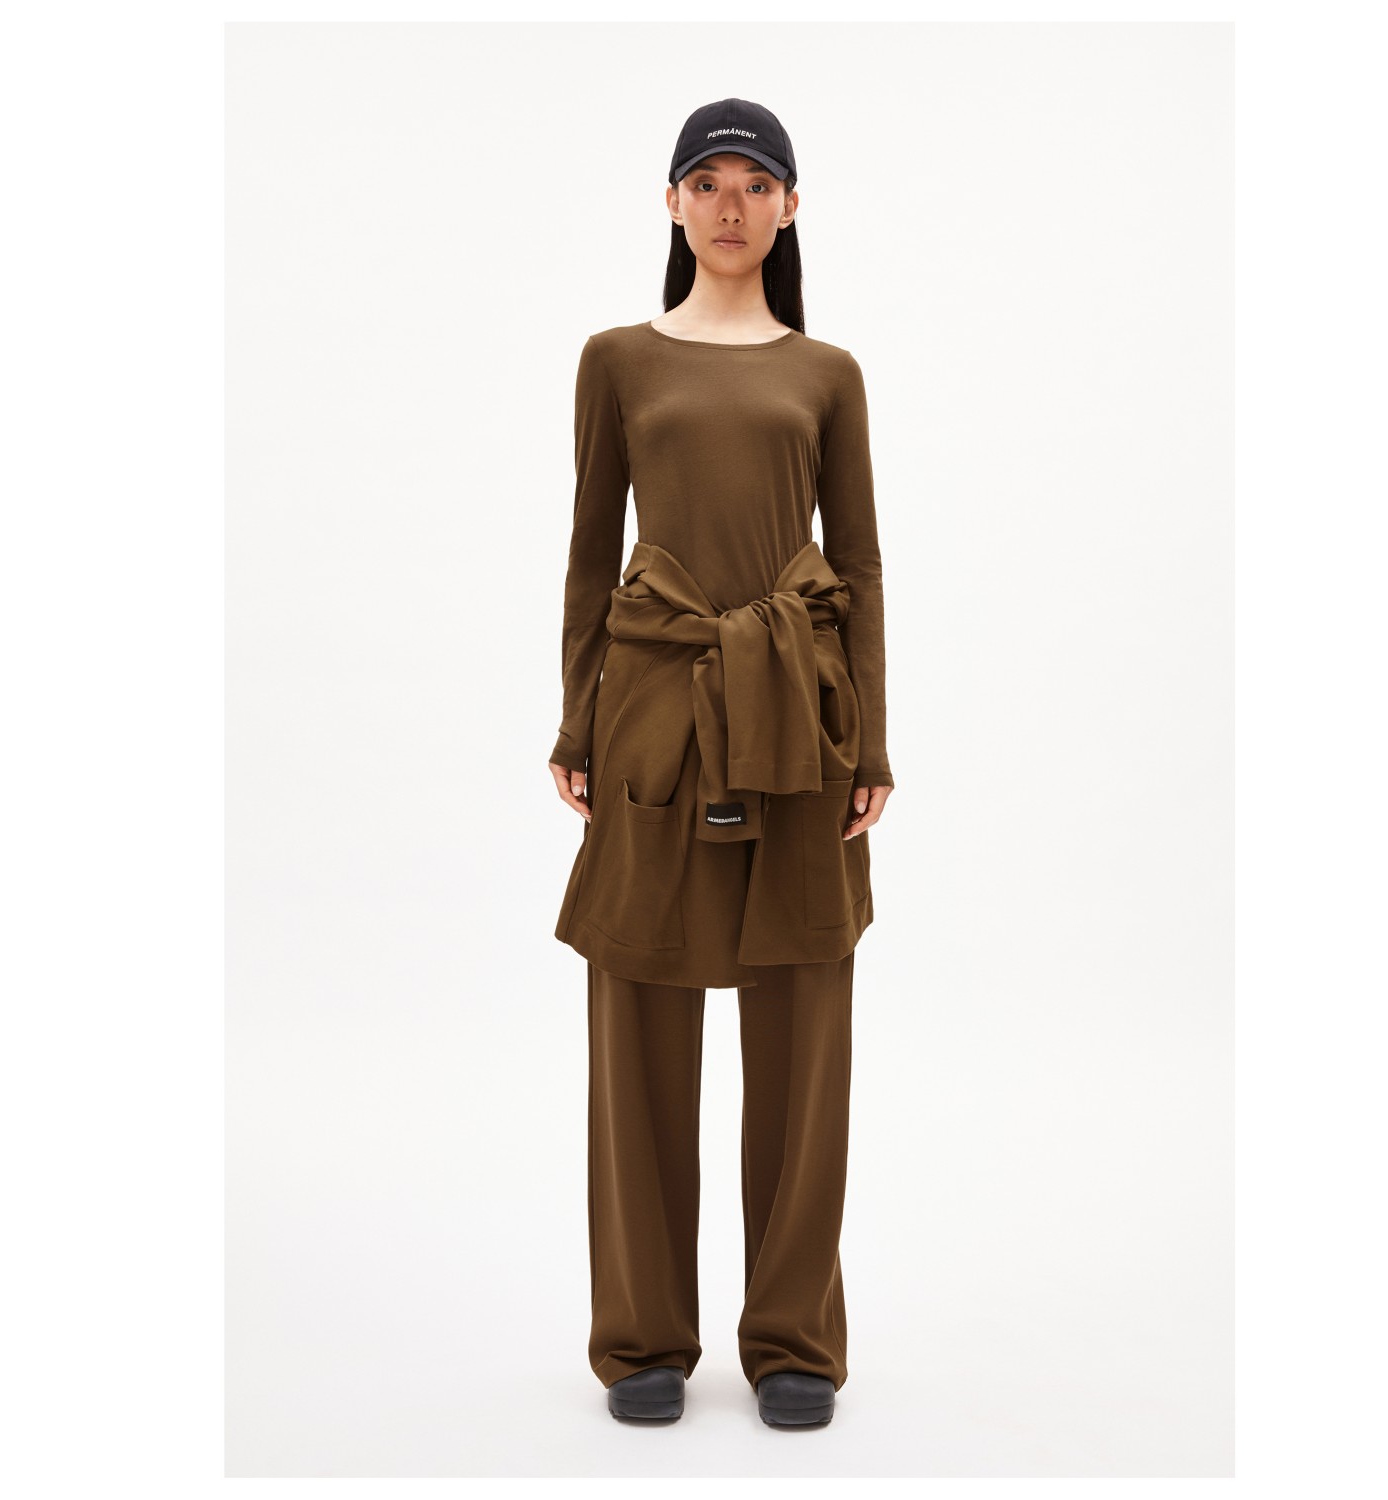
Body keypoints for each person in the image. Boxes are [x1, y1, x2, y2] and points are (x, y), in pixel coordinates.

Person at [546, 98, 895, 1428]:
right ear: (674, 203)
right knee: (639, 1012)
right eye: (708, 181)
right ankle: (642, 1338)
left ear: (791, 208)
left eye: (757, 183)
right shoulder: (618, 361)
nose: (732, 203)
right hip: (654, 712)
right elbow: (591, 550)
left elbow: (859, 563)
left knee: (804, 1023)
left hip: (800, 718)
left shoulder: (828, 373)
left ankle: (793, 1339)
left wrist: (871, 740)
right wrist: (577, 721)